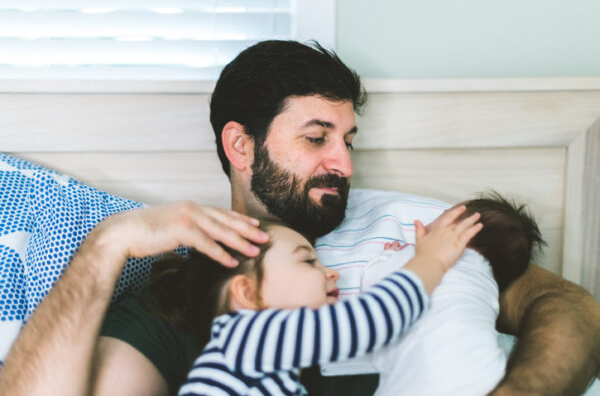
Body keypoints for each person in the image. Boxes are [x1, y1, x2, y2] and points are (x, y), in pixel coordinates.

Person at [0, 40, 599, 396]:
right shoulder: (191, 290)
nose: (343, 163)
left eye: (348, 140)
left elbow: (571, 307)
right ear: (241, 147)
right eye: (316, 138)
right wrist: (109, 243)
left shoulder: (411, 223)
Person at [171, 206, 481, 396]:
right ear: (248, 294)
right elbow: (373, 321)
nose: (331, 272)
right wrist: (431, 261)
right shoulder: (247, 337)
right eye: (307, 262)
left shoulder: (266, 366)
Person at [351, 194, 546, 395]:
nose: (428, 223)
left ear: (454, 230)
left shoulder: (415, 258)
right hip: (485, 376)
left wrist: (389, 256)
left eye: (442, 216)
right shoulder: (488, 285)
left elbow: (374, 285)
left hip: (422, 383)